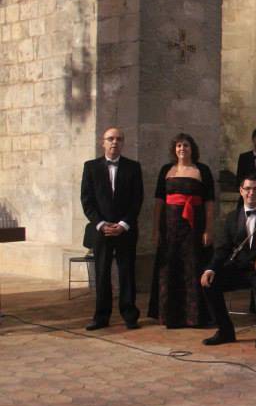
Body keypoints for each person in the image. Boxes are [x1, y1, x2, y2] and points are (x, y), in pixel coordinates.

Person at [200, 175, 256, 350]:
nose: (252, 192)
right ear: (241, 191)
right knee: (209, 284)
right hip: (240, 268)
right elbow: (223, 248)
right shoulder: (232, 217)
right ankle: (225, 331)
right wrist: (210, 268)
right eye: (248, 188)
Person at [80, 127, 144, 331]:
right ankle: (101, 316)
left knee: (127, 272)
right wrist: (100, 224)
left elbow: (137, 200)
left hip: (125, 229)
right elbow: (87, 200)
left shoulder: (133, 167)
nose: (114, 142)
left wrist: (124, 225)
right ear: (103, 142)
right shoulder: (90, 167)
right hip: (101, 230)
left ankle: (129, 315)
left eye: (118, 139)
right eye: (110, 139)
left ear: (123, 142)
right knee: (102, 273)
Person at [150, 133, 216, 328]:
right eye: (179, 146)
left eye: (186, 145)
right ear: (174, 149)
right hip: (169, 227)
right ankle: (171, 316)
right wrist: (156, 229)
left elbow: (209, 202)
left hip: (194, 226)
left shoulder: (202, 170)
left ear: (192, 148)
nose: (182, 149)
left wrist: (209, 229)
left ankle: (195, 317)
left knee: (193, 266)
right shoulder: (166, 170)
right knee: (170, 267)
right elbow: (158, 202)